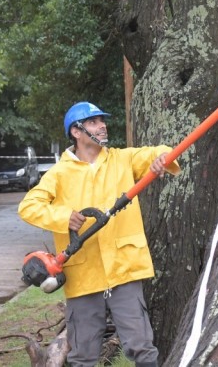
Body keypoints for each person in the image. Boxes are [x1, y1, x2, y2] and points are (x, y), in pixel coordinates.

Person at [19, 101, 179, 367]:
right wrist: (63, 216)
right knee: (83, 356)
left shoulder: (123, 159)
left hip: (124, 270)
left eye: (102, 120)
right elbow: (28, 207)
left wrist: (164, 157)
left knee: (142, 349)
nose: (102, 125)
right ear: (76, 132)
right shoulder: (58, 174)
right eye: (93, 122)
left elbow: (159, 153)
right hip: (83, 275)